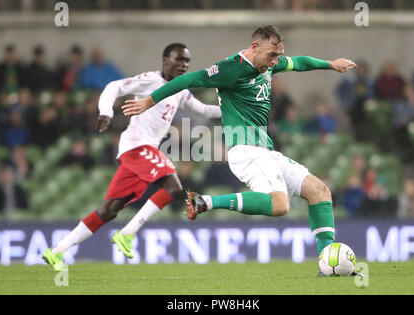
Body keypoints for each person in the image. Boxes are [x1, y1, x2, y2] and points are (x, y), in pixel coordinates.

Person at [122, 25, 357, 276]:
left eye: (278, 56)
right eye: (271, 56)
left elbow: (297, 62)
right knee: (280, 205)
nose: (275, 62)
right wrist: (149, 100)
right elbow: (187, 80)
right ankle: (205, 202)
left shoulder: (269, 62)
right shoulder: (230, 69)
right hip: (244, 150)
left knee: (319, 191)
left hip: (264, 150)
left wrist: (331, 64)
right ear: (255, 47)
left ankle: (327, 262)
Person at [42, 43, 221, 271]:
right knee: (174, 187)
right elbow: (113, 86)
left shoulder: (181, 89)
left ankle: (56, 251)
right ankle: (127, 234)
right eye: (179, 59)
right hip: (138, 146)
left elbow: (202, 110)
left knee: (109, 210)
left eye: (187, 61)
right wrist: (106, 111)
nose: (184, 65)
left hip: (141, 152)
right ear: (165, 60)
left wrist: (234, 112)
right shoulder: (151, 80)